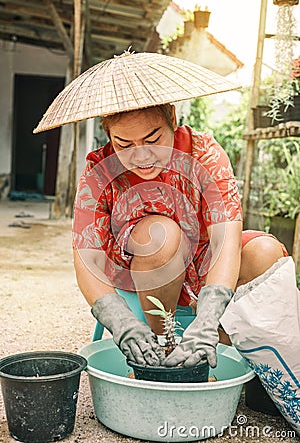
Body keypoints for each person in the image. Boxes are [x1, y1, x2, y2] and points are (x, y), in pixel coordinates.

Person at [72, 102, 288, 369]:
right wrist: (120, 321)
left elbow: (225, 238)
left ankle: (214, 348)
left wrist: (207, 318)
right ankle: (165, 348)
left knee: (266, 253)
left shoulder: (203, 153)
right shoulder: (100, 170)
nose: (141, 156)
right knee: (160, 235)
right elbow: (86, 259)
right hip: (144, 270)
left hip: (206, 264)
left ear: (172, 118)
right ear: (109, 137)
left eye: (153, 139)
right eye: (124, 145)